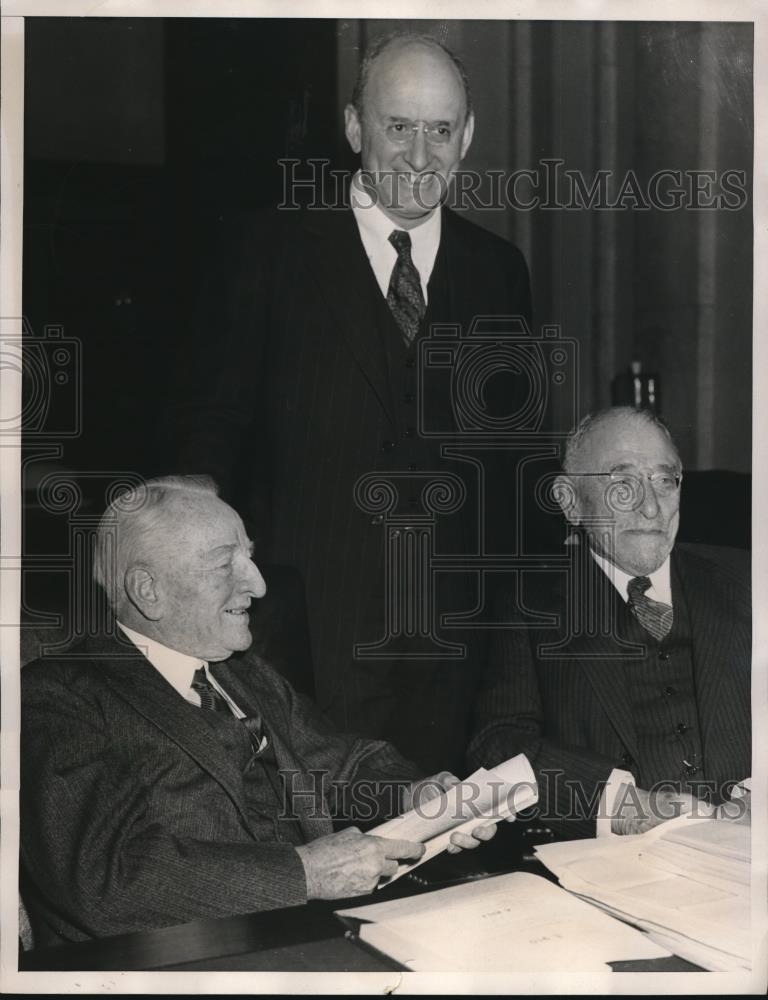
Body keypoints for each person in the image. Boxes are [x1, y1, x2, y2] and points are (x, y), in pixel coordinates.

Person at [168, 32, 532, 775]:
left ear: (468, 135)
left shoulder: (499, 272)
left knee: (441, 857)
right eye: (399, 126)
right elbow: (209, 435)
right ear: (354, 127)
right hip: (302, 643)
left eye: (440, 130)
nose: (420, 156)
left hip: (452, 649)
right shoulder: (267, 250)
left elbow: (514, 465)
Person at [20, 476, 497, 946]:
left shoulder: (243, 674)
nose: (260, 584)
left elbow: (342, 764)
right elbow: (102, 881)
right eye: (226, 563)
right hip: (173, 963)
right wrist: (305, 873)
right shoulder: (58, 697)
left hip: (315, 937)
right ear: (149, 590)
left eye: (249, 556)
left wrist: (416, 796)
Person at [467, 407, 751, 838]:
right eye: (622, 483)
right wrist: (618, 804)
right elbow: (499, 744)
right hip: (622, 861)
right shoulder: (532, 605)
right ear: (569, 500)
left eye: (665, 480)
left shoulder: (748, 579)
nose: (651, 507)